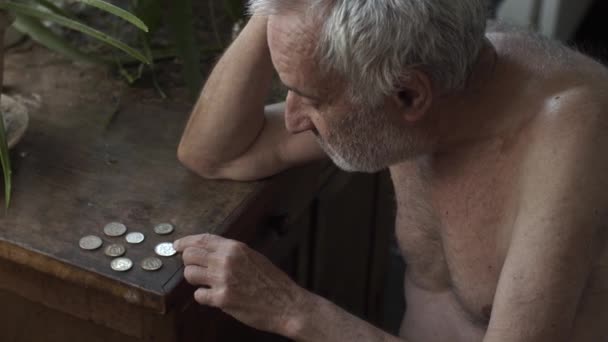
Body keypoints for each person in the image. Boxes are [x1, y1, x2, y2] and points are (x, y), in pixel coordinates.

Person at [174, 0, 608, 341]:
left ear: (407, 97)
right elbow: (216, 154)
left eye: (312, 99)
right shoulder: (408, 72)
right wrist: (281, 10)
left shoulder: (571, 137)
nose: (292, 120)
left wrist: (290, 310)